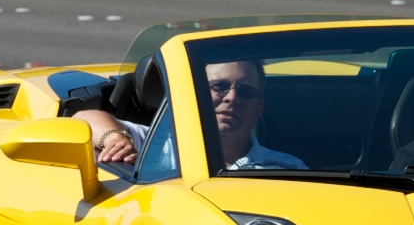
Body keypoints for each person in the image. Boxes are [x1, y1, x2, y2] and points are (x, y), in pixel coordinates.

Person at [76, 60, 307, 171]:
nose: (232, 98)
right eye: (219, 86)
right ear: (195, 94)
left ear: (259, 107)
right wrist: (116, 139)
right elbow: (82, 120)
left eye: (246, 91)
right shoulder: (153, 145)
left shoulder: (288, 168)